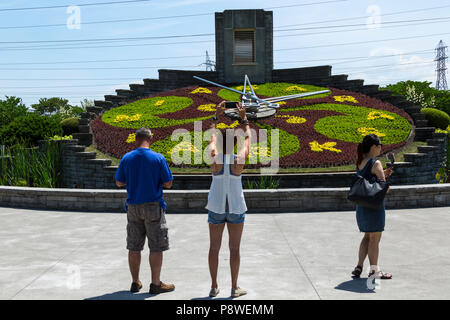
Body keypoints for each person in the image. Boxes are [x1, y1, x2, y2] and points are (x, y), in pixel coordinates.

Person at [115, 127, 175, 294]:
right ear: (151, 139)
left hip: (133, 206)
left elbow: (119, 182)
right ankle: (155, 284)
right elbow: (168, 183)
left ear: (136, 139)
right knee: (156, 246)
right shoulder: (158, 158)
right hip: (153, 206)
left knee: (134, 246)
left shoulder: (127, 158)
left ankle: (135, 282)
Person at [205, 101, 251, 298]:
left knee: (214, 247)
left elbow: (211, 139)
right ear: (234, 144)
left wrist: (216, 117)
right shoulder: (238, 160)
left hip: (216, 205)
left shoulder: (214, 157)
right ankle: (234, 287)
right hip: (235, 207)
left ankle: (214, 286)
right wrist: (244, 119)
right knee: (234, 248)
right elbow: (248, 139)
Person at [351, 134, 393, 280]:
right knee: (375, 239)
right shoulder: (376, 163)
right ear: (374, 147)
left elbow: (369, 179)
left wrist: (382, 174)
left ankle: (359, 266)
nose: (381, 147)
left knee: (367, 237)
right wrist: (385, 178)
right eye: (380, 145)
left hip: (362, 206)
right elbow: (383, 188)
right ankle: (374, 271)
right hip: (374, 207)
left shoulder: (360, 162)